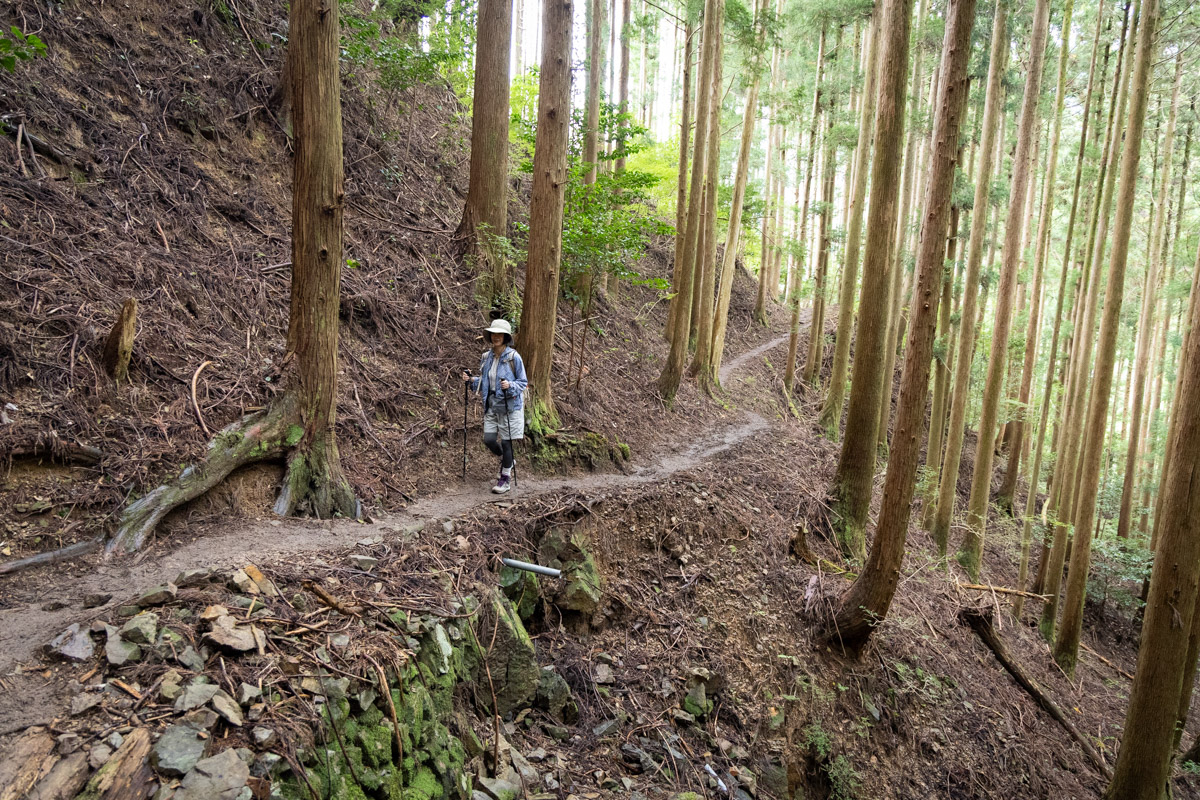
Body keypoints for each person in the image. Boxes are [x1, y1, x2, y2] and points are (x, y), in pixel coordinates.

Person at [462, 319, 527, 494]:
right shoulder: (486, 357)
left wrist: (510, 385)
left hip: (509, 406)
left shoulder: (514, 357)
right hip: (491, 405)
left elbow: (523, 382)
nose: (496, 337)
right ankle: (508, 460)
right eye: (494, 333)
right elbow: (485, 382)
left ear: (506, 337)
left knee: (507, 443)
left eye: (500, 334)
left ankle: (505, 478)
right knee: (489, 440)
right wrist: (471, 380)